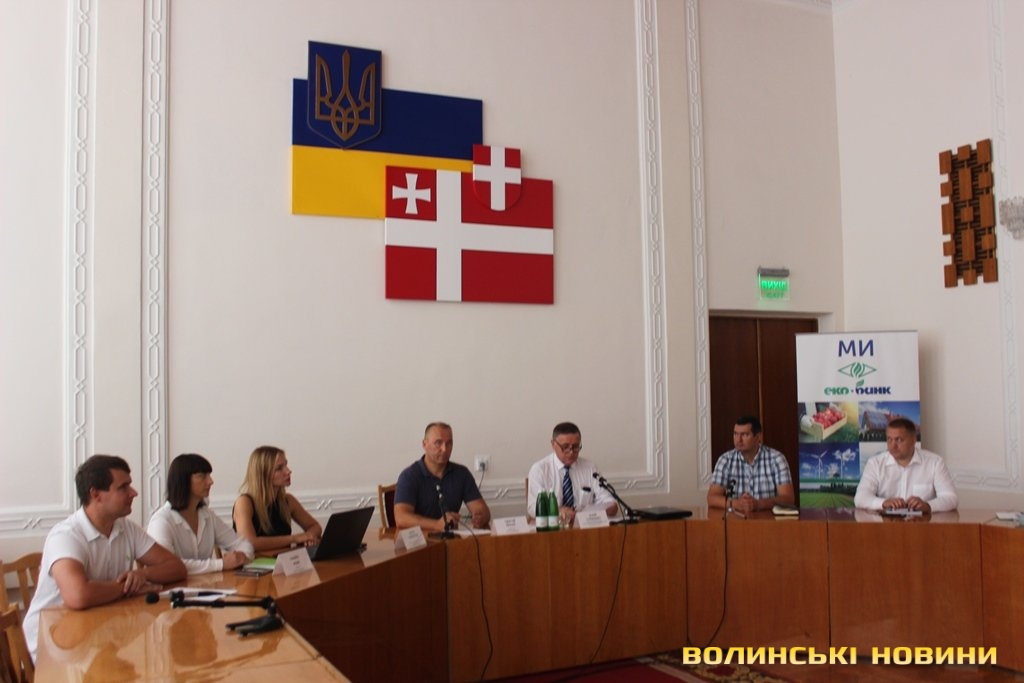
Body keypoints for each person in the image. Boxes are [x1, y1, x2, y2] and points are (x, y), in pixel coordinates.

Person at [22, 454, 187, 660]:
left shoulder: (125, 528)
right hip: (54, 646)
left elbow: (177, 567)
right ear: (95, 494)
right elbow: (78, 596)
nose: (133, 493)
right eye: (123, 487)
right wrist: (128, 588)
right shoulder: (66, 535)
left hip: (99, 634)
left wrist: (142, 575)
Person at [147, 453, 254, 574]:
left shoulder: (207, 515)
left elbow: (243, 544)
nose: (210, 481)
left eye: (209, 475)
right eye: (202, 476)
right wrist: (221, 564)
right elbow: (166, 565)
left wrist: (240, 558)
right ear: (183, 481)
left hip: (207, 584)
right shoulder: (161, 521)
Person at [394, 422, 491, 532]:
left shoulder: (462, 473)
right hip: (420, 539)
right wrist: (436, 525)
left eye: (449, 443)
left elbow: (483, 510)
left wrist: (481, 516)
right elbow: (401, 518)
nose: (444, 449)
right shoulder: (409, 476)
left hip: (451, 538)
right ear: (424, 444)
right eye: (438, 443)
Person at [854, 417, 958, 513]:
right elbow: (860, 498)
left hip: (922, 524)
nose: (893, 446)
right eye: (889, 439)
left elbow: (951, 498)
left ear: (913, 440)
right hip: (885, 524)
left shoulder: (935, 462)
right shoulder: (875, 463)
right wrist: (883, 503)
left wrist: (928, 505)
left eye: (899, 440)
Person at [232, 446, 322, 554]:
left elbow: (315, 526)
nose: (288, 471)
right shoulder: (244, 502)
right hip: (256, 562)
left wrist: (308, 538)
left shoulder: (288, 500)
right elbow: (249, 543)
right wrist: (295, 538)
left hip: (285, 560)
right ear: (263, 474)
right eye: (279, 468)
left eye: (286, 465)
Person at [526, 422, 617, 526]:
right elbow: (533, 507)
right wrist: (557, 510)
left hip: (584, 526)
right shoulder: (540, 469)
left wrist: (610, 507)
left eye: (575, 447)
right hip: (552, 527)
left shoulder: (590, 468)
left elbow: (607, 500)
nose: (571, 452)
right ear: (553, 444)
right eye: (565, 447)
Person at [707, 415, 795, 513]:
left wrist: (758, 504)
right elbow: (712, 498)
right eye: (735, 434)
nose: (738, 440)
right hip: (736, 518)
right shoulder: (725, 460)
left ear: (758, 437)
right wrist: (737, 504)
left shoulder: (776, 459)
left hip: (768, 519)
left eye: (744, 435)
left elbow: (788, 499)